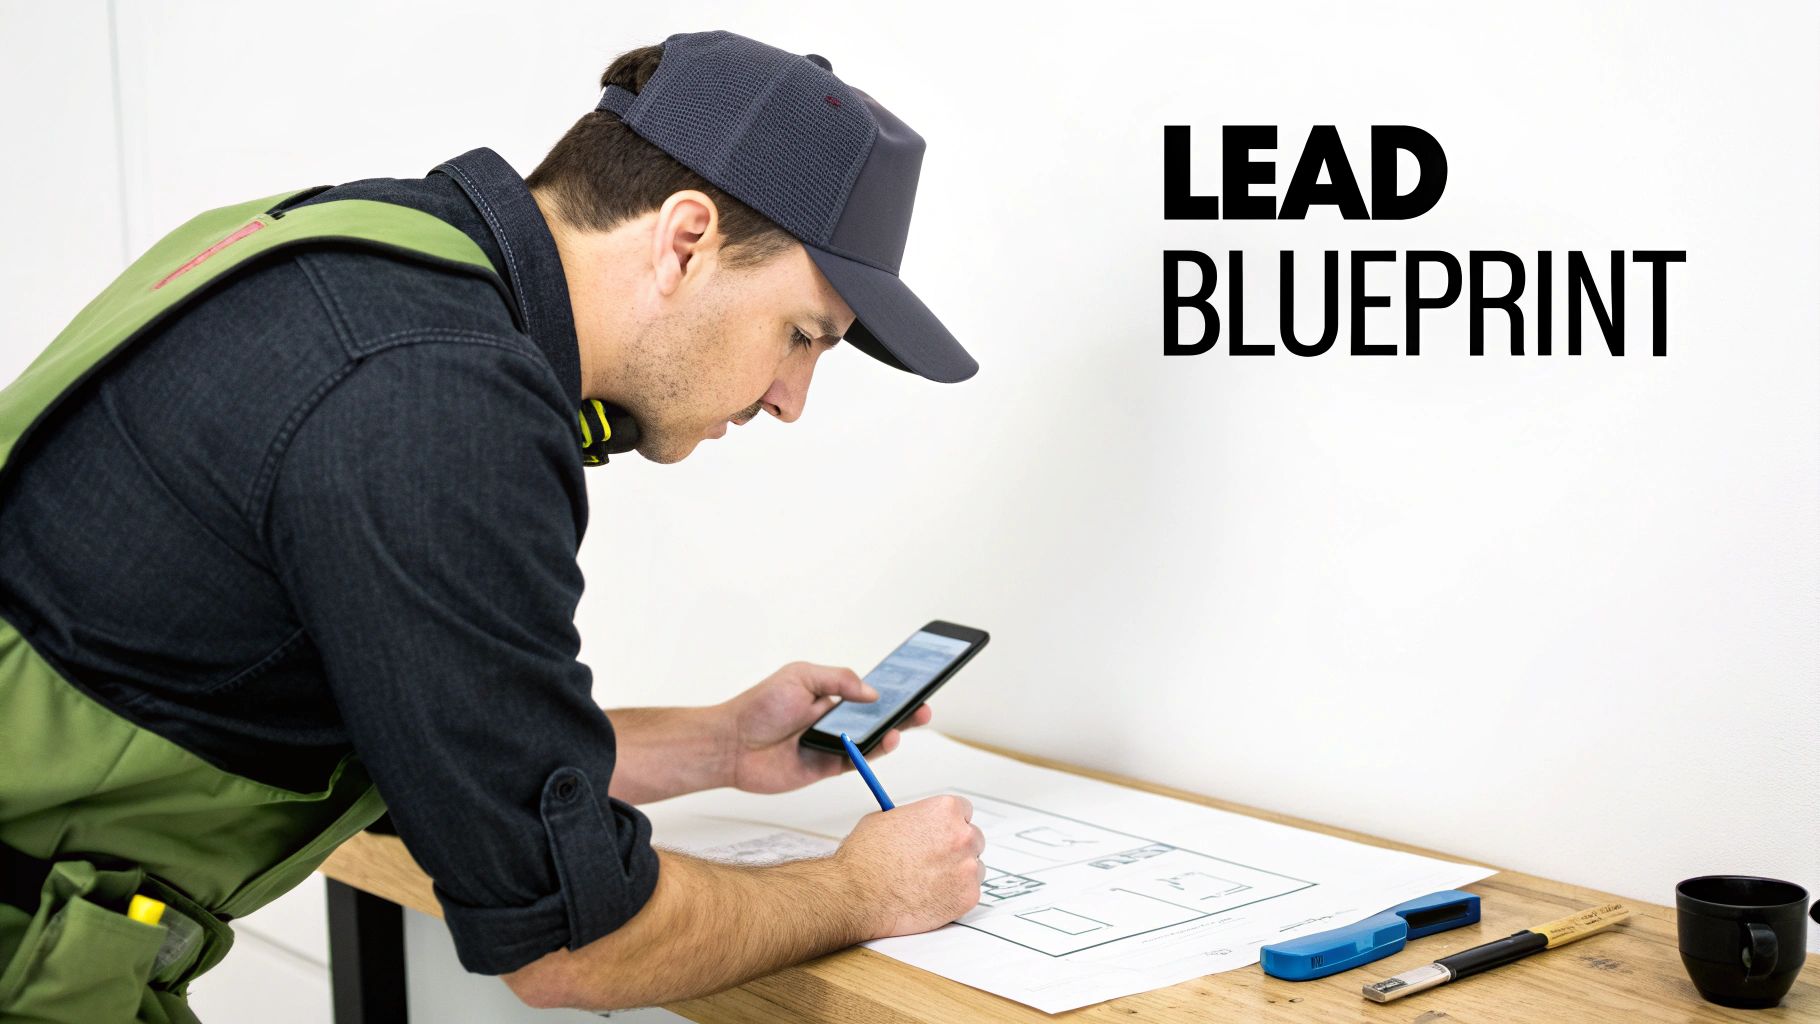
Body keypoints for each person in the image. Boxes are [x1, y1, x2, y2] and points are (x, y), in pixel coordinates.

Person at [0, 29, 984, 1020]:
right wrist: (863, 890)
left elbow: (439, 742)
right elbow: (573, 943)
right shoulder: (436, 398)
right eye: (801, 335)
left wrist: (717, 744)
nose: (791, 399)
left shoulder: (346, 247)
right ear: (685, 241)